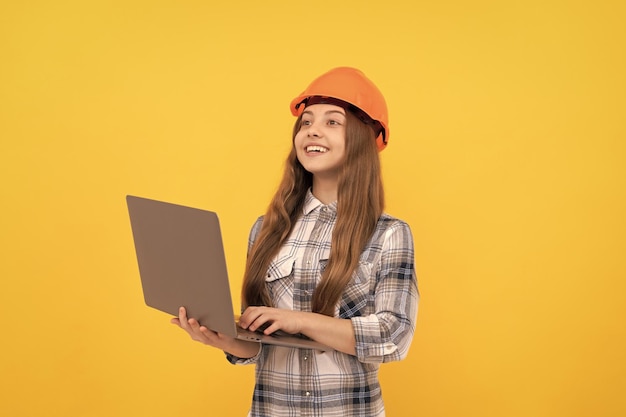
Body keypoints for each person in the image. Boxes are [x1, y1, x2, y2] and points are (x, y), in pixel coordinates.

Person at [171, 67, 419, 416]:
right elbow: (259, 344)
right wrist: (224, 338)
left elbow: (394, 337)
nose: (312, 130)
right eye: (306, 122)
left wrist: (299, 320)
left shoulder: (388, 234)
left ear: (364, 138)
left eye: (332, 122)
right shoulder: (266, 229)